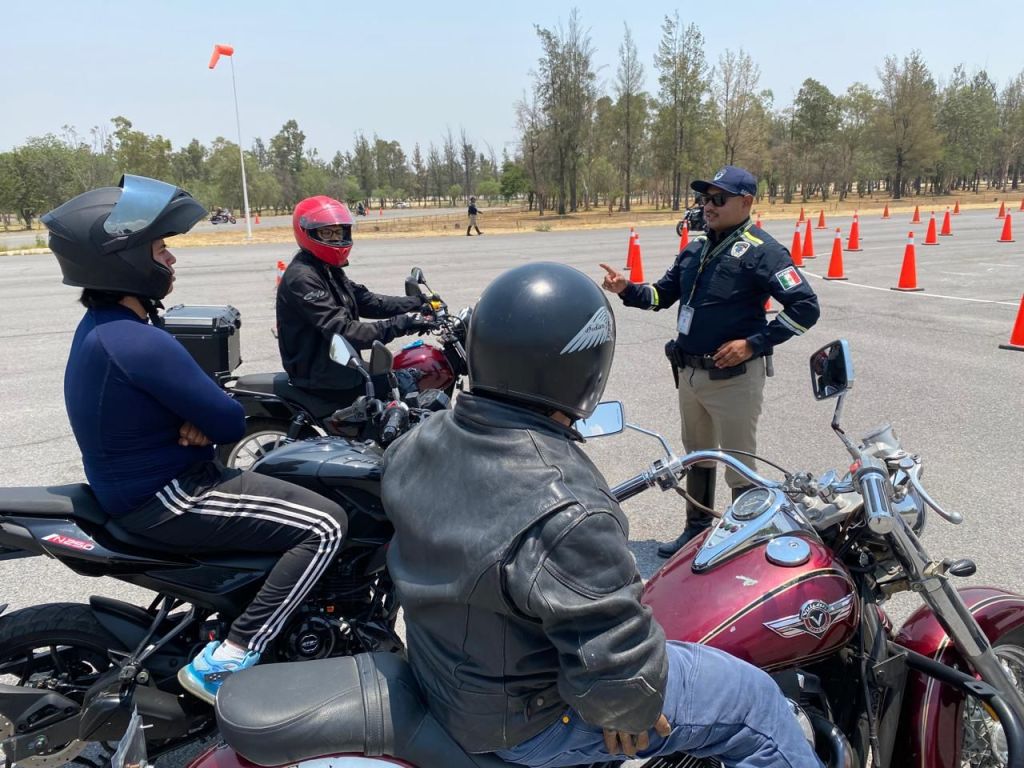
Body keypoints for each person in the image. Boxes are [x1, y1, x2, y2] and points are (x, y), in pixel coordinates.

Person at [381, 261, 822, 768]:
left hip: (453, 681)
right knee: (755, 702)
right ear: (583, 365)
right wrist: (628, 707)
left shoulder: (419, 440)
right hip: (529, 718)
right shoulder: (567, 504)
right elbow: (616, 661)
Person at [44, 175, 349, 704]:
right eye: (159, 248)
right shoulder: (138, 341)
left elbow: (202, 411)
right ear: (123, 260)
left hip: (142, 489)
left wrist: (197, 417)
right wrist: (203, 418)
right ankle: (230, 657)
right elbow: (229, 422)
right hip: (171, 497)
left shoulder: (104, 327)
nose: (170, 258)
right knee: (326, 525)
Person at [601, 165, 820, 558]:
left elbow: (805, 307)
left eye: (718, 198)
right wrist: (626, 289)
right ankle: (697, 530)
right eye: (704, 198)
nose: (708, 206)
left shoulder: (764, 251)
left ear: (746, 202)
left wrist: (754, 344)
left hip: (733, 378)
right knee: (697, 454)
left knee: (739, 463)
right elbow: (661, 296)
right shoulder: (695, 250)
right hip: (690, 374)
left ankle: (743, 541)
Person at [276, 195, 434, 406]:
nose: (335, 239)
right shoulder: (303, 278)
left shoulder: (326, 269)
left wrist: (418, 302)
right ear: (307, 232)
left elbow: (367, 301)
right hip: (322, 378)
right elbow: (345, 331)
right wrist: (403, 323)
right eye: (326, 233)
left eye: (338, 232)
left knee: (407, 375)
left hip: (338, 368)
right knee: (404, 386)